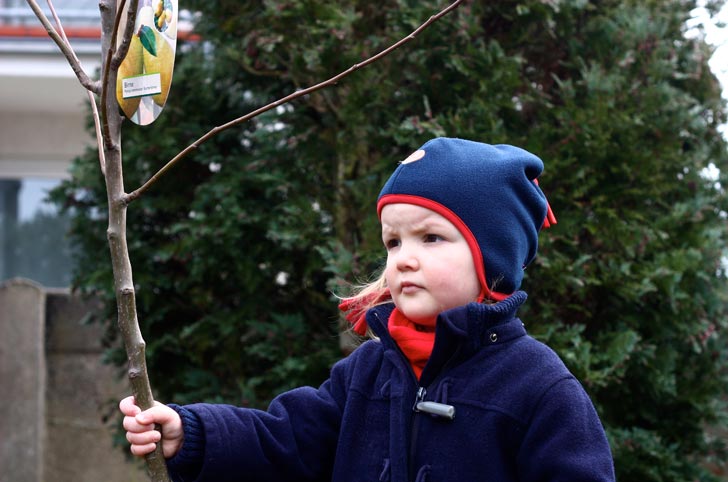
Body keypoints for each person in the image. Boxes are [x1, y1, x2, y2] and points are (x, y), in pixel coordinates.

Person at [120, 137, 616, 481]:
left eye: (432, 237)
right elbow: (285, 443)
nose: (405, 258)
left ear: (491, 260)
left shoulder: (538, 386)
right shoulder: (366, 373)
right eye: (393, 241)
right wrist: (192, 433)